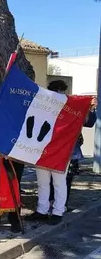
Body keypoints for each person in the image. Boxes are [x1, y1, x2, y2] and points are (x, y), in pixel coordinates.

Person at [27, 80, 98, 225]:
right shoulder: (44, 104)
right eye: (55, 92)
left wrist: (91, 108)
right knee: (43, 183)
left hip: (62, 152)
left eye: (60, 92)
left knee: (59, 183)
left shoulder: (71, 106)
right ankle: (42, 210)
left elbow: (89, 122)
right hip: (43, 150)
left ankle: (58, 212)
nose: (58, 95)